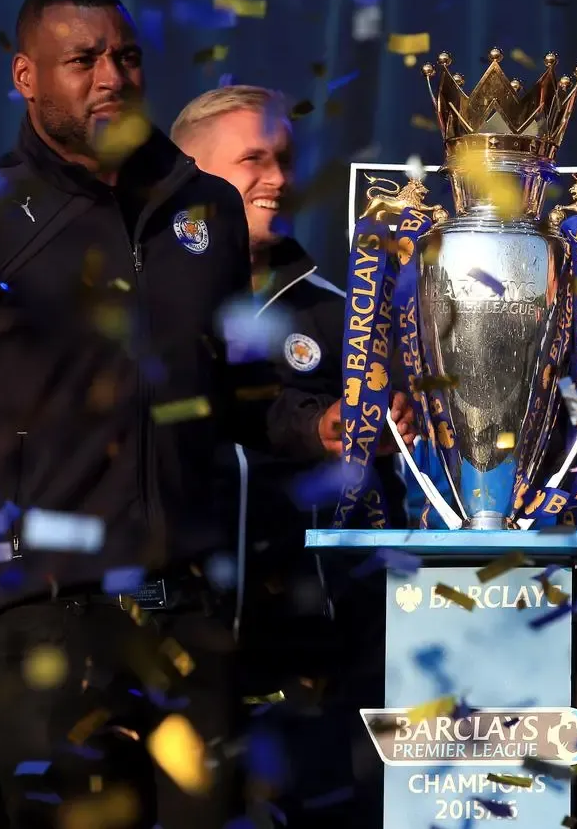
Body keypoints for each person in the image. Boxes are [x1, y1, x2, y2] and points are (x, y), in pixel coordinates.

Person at [0, 0, 411, 829]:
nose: (111, 76)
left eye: (126, 56)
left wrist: (314, 424)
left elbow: (227, 390)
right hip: (38, 621)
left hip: (187, 617)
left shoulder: (203, 211)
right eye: (83, 60)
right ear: (27, 78)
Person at [170, 84, 401, 824]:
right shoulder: (142, 303)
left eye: (286, 160)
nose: (278, 177)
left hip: (308, 659)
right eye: (254, 160)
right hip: (170, 646)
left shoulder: (342, 317)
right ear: (190, 174)